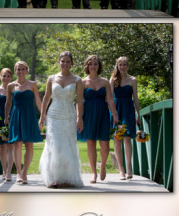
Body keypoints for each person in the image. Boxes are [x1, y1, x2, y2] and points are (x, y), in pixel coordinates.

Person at [39, 51, 85, 188]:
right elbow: (46, 98)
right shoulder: (51, 79)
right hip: (53, 115)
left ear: (71, 63)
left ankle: (66, 178)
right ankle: (53, 178)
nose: (65, 64)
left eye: (67, 61)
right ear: (59, 62)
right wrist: (42, 116)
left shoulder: (77, 80)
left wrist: (79, 118)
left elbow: (80, 101)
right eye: (62, 61)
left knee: (67, 146)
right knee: (54, 145)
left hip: (69, 116)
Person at [79, 54, 120, 183]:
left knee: (105, 144)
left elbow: (110, 100)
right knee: (90, 143)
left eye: (95, 64)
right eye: (90, 64)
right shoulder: (82, 82)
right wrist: (78, 117)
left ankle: (102, 166)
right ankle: (93, 173)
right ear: (87, 66)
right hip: (88, 114)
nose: (93, 66)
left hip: (103, 114)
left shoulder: (105, 82)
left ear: (99, 66)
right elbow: (79, 101)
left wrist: (115, 114)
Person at [4, 61, 42, 184]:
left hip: (30, 116)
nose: (20, 71)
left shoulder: (33, 84)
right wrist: (6, 117)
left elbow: (38, 101)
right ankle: (19, 174)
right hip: (16, 116)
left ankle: (25, 172)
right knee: (17, 144)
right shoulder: (11, 86)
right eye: (18, 69)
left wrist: (43, 116)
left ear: (27, 71)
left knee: (29, 145)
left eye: (23, 69)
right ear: (15, 71)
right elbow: (8, 103)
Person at [110, 56, 140, 180]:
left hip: (128, 111)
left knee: (127, 138)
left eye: (124, 64)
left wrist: (138, 113)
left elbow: (136, 98)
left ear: (128, 66)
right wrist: (113, 113)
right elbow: (110, 98)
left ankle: (128, 168)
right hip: (117, 111)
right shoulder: (112, 80)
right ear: (117, 66)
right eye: (120, 65)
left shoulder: (133, 80)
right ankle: (121, 170)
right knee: (117, 139)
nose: (122, 67)